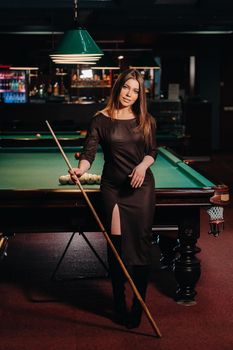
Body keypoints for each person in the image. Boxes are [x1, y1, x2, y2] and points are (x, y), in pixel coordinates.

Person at [69, 69, 157, 329]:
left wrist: (142, 166)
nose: (129, 94)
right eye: (126, 88)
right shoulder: (100, 119)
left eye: (135, 90)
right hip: (113, 189)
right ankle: (118, 300)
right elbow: (89, 152)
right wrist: (82, 169)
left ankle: (137, 305)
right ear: (117, 87)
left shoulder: (146, 120)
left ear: (140, 95)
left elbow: (152, 151)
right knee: (116, 247)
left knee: (140, 245)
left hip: (140, 188)